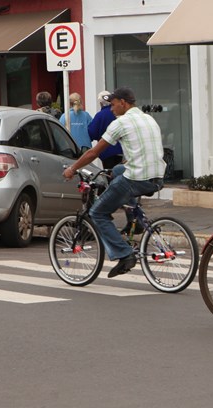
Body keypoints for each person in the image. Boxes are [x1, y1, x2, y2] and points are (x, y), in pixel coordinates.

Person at [62, 87, 165, 278]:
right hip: (158, 176)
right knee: (116, 170)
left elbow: (94, 152)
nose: (110, 109)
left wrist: (72, 169)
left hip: (136, 178)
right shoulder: (148, 118)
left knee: (97, 212)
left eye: (113, 104)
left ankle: (124, 255)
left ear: (123, 103)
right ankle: (135, 216)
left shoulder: (121, 123)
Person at [88, 90, 124, 169]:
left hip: (107, 152)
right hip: (122, 151)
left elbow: (92, 133)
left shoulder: (100, 115)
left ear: (100, 103)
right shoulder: (120, 113)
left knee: (110, 175)